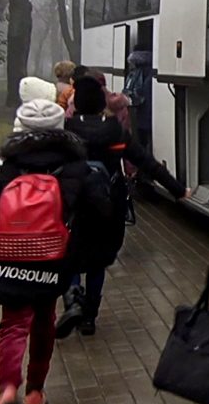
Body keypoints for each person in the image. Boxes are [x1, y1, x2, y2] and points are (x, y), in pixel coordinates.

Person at [0, 98, 107, 404]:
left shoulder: (10, 168)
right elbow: (102, 211)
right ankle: (34, 392)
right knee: (43, 323)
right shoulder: (76, 168)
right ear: (60, 128)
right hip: (53, 258)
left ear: (22, 129)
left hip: (9, 258)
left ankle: (7, 388)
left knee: (13, 325)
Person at [57, 77, 189, 338]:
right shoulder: (114, 130)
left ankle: (72, 299)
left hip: (73, 204)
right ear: (101, 103)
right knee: (98, 261)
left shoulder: (65, 131)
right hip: (108, 205)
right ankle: (89, 317)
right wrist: (177, 189)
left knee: (69, 255)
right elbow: (146, 162)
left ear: (77, 103)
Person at [124, 45, 154, 149]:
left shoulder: (134, 72)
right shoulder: (152, 71)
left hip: (139, 112)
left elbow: (128, 92)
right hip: (151, 112)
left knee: (141, 140)